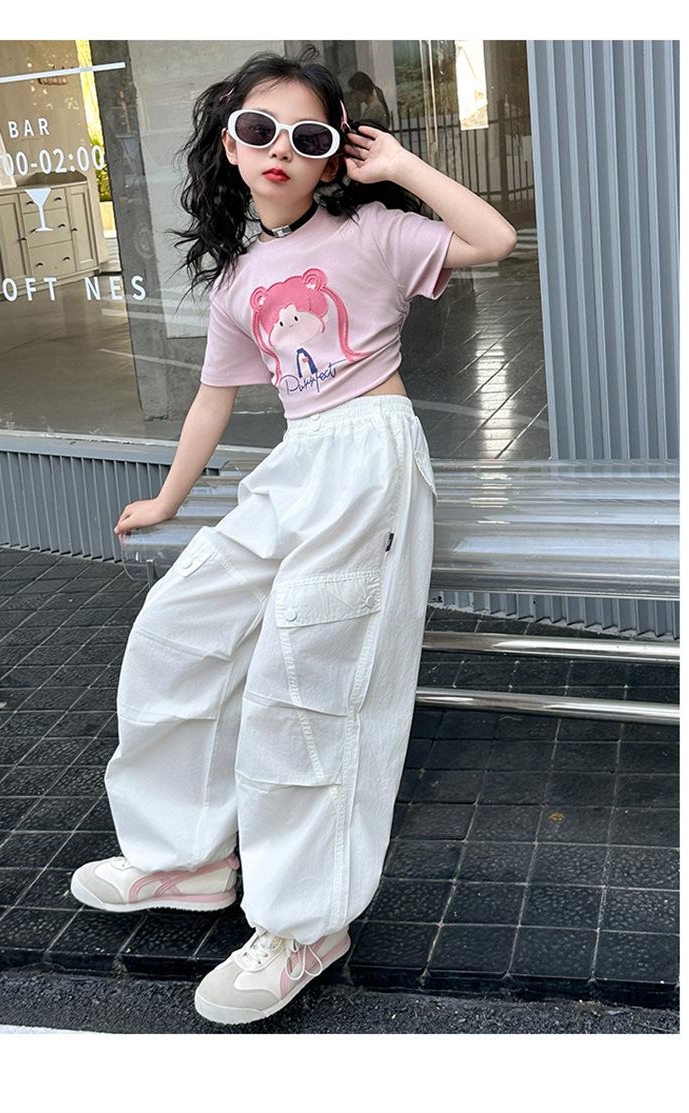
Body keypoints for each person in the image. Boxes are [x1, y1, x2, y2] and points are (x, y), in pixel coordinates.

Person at [70, 45, 516, 1026]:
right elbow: (211, 399)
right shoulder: (240, 278)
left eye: (307, 136)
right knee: (178, 632)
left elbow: (491, 238)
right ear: (229, 143)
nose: (280, 148)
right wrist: (167, 498)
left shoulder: (375, 233)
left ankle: (306, 923)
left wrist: (397, 165)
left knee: (305, 685)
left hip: (369, 452)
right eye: (258, 128)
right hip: (299, 460)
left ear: (331, 156)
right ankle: (186, 859)